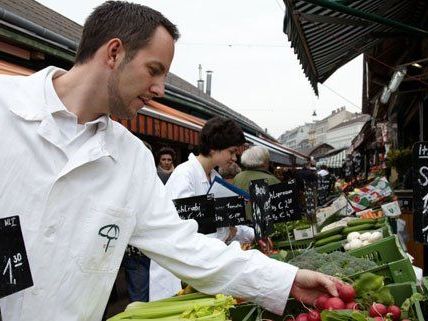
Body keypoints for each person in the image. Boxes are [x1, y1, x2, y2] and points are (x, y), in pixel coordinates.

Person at [0, 2, 339, 320]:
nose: (161, 89)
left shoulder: (131, 158)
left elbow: (186, 246)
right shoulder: (5, 109)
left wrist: (286, 280)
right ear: (114, 53)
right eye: (154, 70)